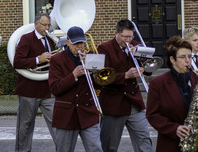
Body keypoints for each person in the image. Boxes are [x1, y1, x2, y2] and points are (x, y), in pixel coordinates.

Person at [97, 19, 153, 152]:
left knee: (144, 140)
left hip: (134, 102)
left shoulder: (136, 45)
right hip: (114, 103)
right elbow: (101, 77)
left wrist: (142, 65)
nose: (128, 40)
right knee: (109, 145)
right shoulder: (104, 48)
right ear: (116, 33)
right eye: (125, 37)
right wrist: (125, 76)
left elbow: (150, 68)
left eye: (130, 36)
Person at [48, 26, 103, 152]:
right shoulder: (57, 60)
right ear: (67, 42)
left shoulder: (91, 57)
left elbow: (100, 85)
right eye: (76, 44)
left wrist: (94, 70)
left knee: (96, 148)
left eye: (82, 43)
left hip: (88, 112)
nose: (80, 47)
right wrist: (73, 75)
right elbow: (55, 88)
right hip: (66, 115)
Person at [146, 36, 198, 152]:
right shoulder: (158, 83)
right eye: (182, 57)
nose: (188, 61)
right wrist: (175, 128)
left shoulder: (195, 78)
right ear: (172, 59)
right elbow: (152, 115)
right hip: (171, 144)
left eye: (190, 56)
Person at [13, 13, 56, 152]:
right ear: (36, 24)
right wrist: (38, 59)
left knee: (57, 122)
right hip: (28, 90)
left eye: (48, 25)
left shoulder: (50, 40)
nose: (47, 28)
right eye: (44, 25)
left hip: (47, 89)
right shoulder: (26, 39)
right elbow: (17, 62)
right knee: (25, 125)